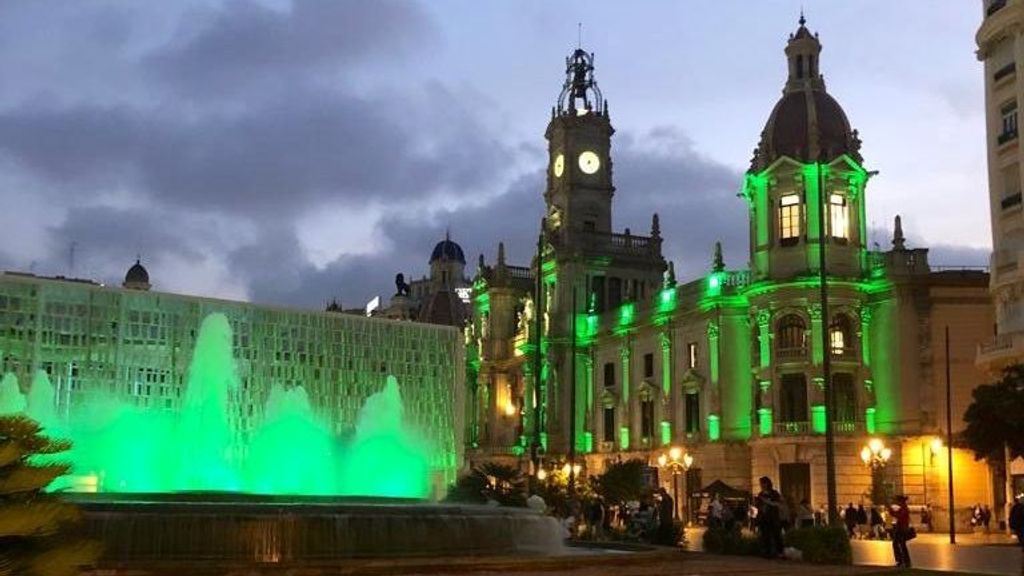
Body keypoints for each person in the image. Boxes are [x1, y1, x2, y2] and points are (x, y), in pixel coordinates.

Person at [755, 476, 783, 558]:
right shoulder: (760, 494)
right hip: (764, 518)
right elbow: (758, 506)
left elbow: (778, 504)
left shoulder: (774, 493)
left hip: (773, 517)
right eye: (760, 484)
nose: (761, 485)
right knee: (765, 536)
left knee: (776, 535)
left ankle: (779, 552)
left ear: (767, 483)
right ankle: (767, 552)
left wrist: (767, 502)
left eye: (762, 483)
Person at [890, 495, 912, 569]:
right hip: (900, 528)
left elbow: (899, 516)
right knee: (899, 544)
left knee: (899, 544)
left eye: (898, 501)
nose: (898, 502)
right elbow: (895, 514)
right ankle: (903, 561)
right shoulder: (902, 508)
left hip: (902, 528)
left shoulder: (904, 508)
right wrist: (891, 510)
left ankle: (903, 561)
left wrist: (892, 511)